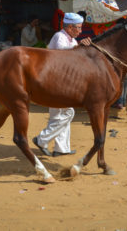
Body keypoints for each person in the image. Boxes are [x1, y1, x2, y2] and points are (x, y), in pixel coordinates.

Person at [33, 12, 91, 157]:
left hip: (64, 84)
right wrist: (79, 48)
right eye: (78, 27)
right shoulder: (59, 37)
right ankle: (41, 139)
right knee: (68, 113)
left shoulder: (71, 40)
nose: (80, 30)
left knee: (59, 116)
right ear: (70, 27)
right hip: (55, 83)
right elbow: (62, 56)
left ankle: (61, 148)